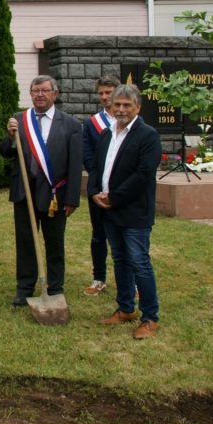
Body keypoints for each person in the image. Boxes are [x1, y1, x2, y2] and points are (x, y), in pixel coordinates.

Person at [0, 75, 82, 307]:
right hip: (25, 191)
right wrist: (10, 136)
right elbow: (5, 152)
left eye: (45, 90)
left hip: (56, 193)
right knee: (25, 241)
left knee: (54, 242)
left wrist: (73, 198)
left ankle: (55, 287)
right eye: (35, 90)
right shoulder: (19, 119)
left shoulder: (71, 124)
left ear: (55, 94)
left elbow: (76, 165)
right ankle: (25, 286)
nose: (40, 95)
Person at [88, 84, 162, 339]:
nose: (120, 109)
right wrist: (94, 191)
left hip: (133, 211)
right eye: (117, 104)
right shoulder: (108, 134)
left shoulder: (148, 135)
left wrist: (115, 197)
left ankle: (150, 317)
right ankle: (126, 308)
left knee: (139, 263)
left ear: (137, 108)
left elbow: (143, 174)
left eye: (126, 105)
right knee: (119, 261)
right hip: (109, 210)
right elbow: (97, 166)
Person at [81, 74, 120, 296]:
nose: (105, 97)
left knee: (124, 237)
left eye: (109, 92)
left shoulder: (128, 120)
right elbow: (87, 158)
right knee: (98, 235)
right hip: (98, 189)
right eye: (101, 93)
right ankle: (99, 278)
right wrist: (96, 188)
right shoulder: (91, 124)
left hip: (122, 190)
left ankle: (130, 280)